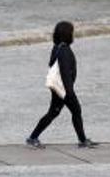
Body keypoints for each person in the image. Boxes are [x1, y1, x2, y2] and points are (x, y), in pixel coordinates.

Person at [26, 21, 97, 149]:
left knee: (53, 113)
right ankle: (82, 141)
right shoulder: (64, 50)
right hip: (64, 88)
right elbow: (64, 71)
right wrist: (69, 92)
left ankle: (33, 137)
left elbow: (53, 64)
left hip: (60, 88)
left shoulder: (57, 47)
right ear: (67, 34)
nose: (72, 34)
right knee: (75, 111)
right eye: (71, 32)